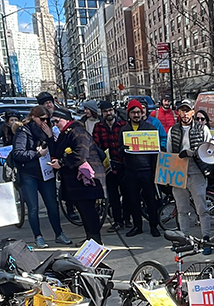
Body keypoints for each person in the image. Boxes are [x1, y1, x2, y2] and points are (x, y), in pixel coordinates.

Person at [11, 105, 70, 247]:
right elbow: (17, 153)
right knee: (33, 208)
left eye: (47, 119)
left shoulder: (46, 130)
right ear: (33, 117)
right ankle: (38, 236)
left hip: (45, 172)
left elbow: (54, 150)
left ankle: (59, 233)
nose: (45, 122)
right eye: (41, 119)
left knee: (52, 205)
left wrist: (50, 137)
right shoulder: (24, 131)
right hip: (29, 174)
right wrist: (37, 154)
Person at [50, 108, 105, 243]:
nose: (55, 124)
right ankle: (89, 239)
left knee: (88, 211)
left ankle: (95, 240)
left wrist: (62, 162)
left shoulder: (77, 131)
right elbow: (57, 150)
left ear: (67, 119)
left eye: (57, 121)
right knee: (83, 210)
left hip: (87, 180)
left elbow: (81, 154)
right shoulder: (66, 133)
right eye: (53, 122)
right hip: (76, 181)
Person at [167, 99, 212, 249]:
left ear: (193, 111)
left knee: (201, 208)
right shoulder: (173, 130)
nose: (185, 114)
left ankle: (206, 238)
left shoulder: (202, 128)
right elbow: (169, 152)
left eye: (188, 110)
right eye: (182, 110)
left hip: (196, 168)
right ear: (178, 112)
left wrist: (193, 154)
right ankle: (184, 238)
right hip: (178, 169)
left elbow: (208, 150)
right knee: (182, 208)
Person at [121, 99, 162, 237]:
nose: (136, 115)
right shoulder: (124, 130)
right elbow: (118, 152)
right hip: (131, 170)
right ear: (129, 114)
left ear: (142, 113)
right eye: (133, 112)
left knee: (151, 200)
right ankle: (137, 226)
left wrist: (155, 170)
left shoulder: (150, 129)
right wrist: (123, 148)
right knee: (133, 200)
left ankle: (153, 226)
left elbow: (156, 152)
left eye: (138, 112)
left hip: (147, 170)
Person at [93, 100, 127, 232]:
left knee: (127, 193)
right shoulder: (98, 127)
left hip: (123, 164)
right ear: (102, 113)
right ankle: (118, 221)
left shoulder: (122, 124)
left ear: (114, 111)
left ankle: (127, 219)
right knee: (113, 196)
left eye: (110, 110)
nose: (109, 113)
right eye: (106, 111)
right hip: (108, 166)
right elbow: (95, 144)